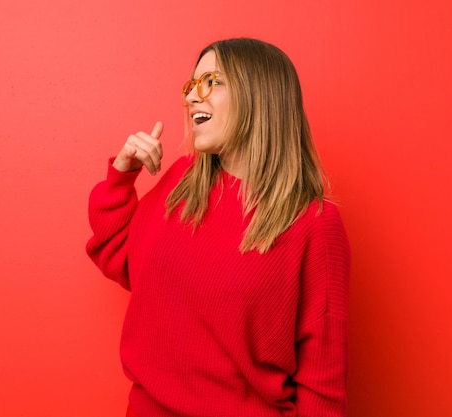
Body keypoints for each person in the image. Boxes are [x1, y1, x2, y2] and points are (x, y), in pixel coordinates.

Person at [86, 38, 350, 417]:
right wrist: (121, 178)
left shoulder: (313, 225)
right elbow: (118, 255)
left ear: (259, 94)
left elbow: (322, 387)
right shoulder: (181, 184)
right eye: (192, 86)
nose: (193, 97)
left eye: (211, 81)